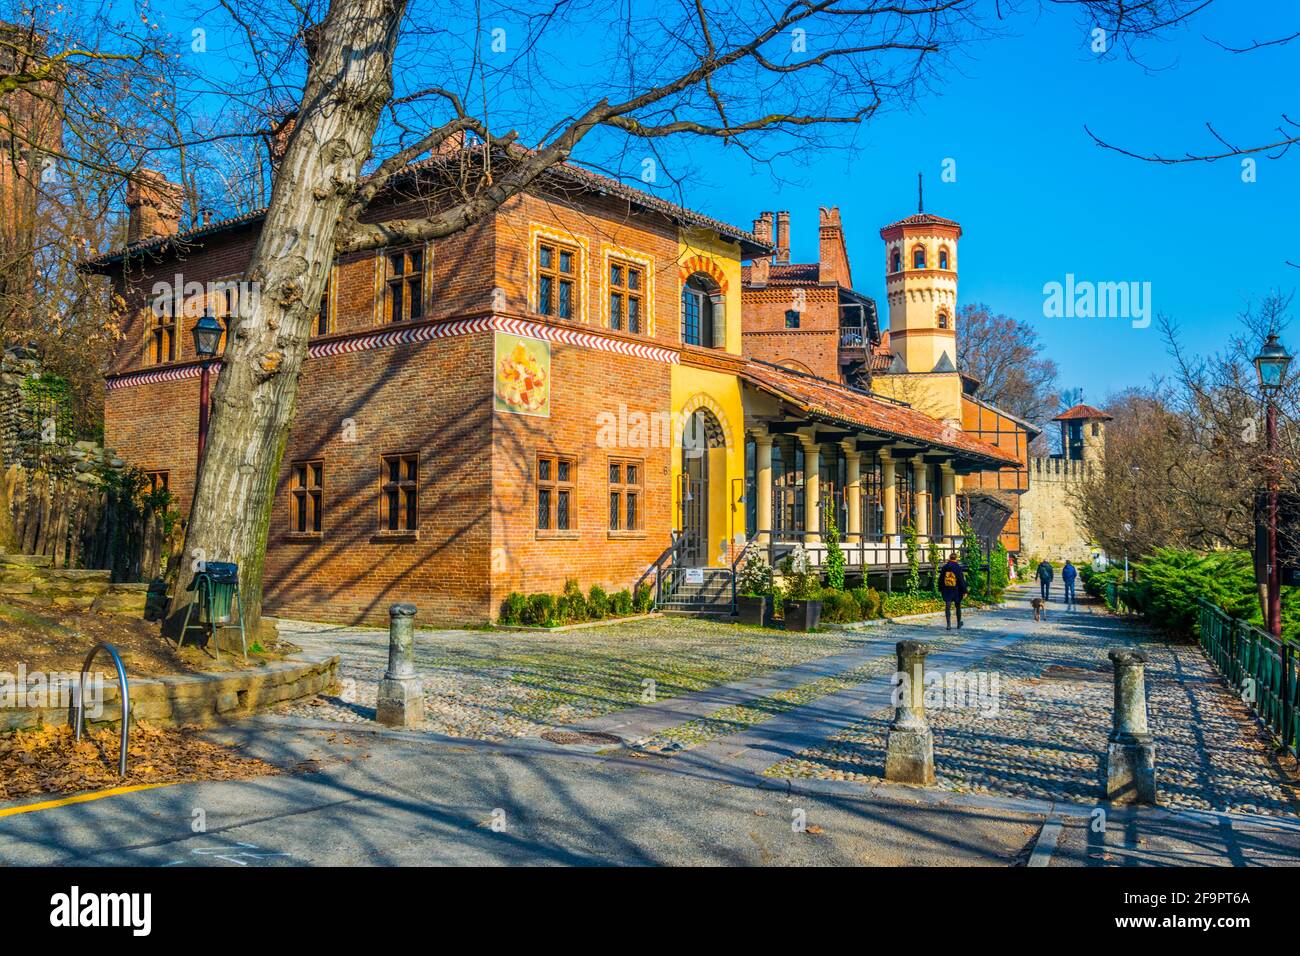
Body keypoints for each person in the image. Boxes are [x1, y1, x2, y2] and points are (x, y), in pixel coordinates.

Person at [939, 551, 967, 630]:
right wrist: (965, 591)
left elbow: (941, 579)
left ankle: (948, 625)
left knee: (947, 606)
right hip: (956, 590)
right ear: (956, 559)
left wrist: (940, 589)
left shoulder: (945, 567)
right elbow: (961, 580)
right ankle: (958, 624)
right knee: (957, 606)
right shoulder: (958, 567)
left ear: (949, 558)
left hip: (947, 589)